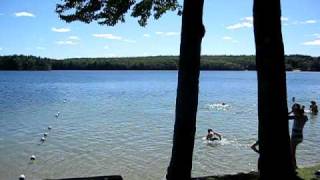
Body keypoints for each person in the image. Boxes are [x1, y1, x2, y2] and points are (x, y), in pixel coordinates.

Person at [288, 103, 308, 169]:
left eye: (294, 111)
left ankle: (294, 166)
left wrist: (291, 111)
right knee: (293, 152)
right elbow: (303, 115)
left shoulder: (295, 117)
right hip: (300, 136)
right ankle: (294, 165)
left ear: (295, 111)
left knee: (292, 153)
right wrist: (299, 110)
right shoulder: (305, 117)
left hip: (294, 137)